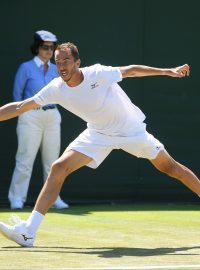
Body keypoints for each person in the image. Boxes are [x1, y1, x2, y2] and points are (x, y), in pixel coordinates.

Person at [0, 42, 199, 247]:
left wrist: (168, 71)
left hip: (131, 130)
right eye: (58, 62)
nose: (61, 66)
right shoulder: (55, 88)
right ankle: (28, 231)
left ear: (78, 62)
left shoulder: (97, 73)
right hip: (98, 133)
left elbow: (130, 71)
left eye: (66, 61)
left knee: (171, 168)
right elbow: (21, 106)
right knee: (59, 167)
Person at [8, 30, 69, 210]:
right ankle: (17, 198)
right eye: (45, 47)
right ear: (37, 48)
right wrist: (22, 117)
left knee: (53, 161)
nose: (49, 51)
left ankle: (54, 198)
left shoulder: (56, 69)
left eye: (52, 48)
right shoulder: (25, 68)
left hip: (52, 116)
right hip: (30, 116)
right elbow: (17, 96)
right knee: (25, 158)